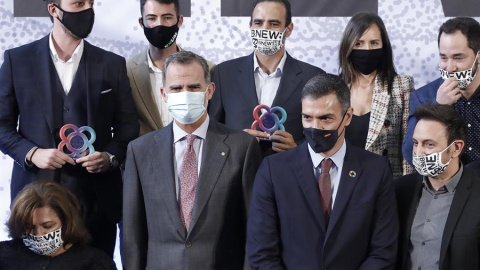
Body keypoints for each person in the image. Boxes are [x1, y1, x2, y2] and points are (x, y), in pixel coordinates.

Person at [0, 0, 139, 257]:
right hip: (35, 205)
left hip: (96, 202)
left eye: (90, 3)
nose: (87, 10)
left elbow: (128, 125)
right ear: (54, 9)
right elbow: (2, 126)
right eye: (78, 3)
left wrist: (108, 157)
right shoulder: (16, 60)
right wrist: (32, 153)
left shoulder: (112, 64)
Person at [122, 51, 263, 269]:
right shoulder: (139, 151)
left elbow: (254, 228)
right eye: (177, 88)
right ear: (164, 93)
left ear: (210, 91)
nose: (185, 94)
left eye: (194, 87)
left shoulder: (242, 147)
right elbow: (132, 235)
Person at [248, 73, 398, 269]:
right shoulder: (273, 170)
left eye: (325, 118)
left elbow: (383, 251)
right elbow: (261, 253)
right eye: (307, 118)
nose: (314, 127)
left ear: (348, 117)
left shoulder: (376, 170)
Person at [210, 0, 324, 156]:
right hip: (237, 176)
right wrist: (235, 141)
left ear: (288, 29)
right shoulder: (223, 73)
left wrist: (298, 149)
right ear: (250, 27)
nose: (265, 29)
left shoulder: (314, 77)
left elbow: (321, 134)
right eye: (258, 22)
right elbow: (211, 130)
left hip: (288, 174)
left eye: (274, 24)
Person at [395, 104, 480, 270]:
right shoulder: (400, 190)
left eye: (429, 144)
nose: (419, 152)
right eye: (415, 143)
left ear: (456, 148)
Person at [339, 12, 414, 178]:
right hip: (341, 183)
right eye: (359, 43)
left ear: (384, 46)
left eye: (374, 43)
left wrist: (409, 189)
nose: (367, 50)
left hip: (385, 185)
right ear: (348, 46)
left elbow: (409, 145)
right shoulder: (335, 88)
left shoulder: (401, 86)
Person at [128, 0, 215, 136]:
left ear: (179, 20)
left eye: (167, 17)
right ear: (141, 22)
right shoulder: (126, 72)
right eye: (151, 18)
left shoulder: (209, 69)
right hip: (144, 154)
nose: (159, 24)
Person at [403, 17, 480, 166]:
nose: (450, 68)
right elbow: (410, 155)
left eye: (458, 58)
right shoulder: (423, 97)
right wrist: (439, 108)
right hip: (449, 186)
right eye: (444, 58)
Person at [0, 180, 117, 270]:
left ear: (67, 222)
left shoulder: (96, 262)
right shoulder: (4, 254)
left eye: (47, 226)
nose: (38, 234)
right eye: (29, 227)